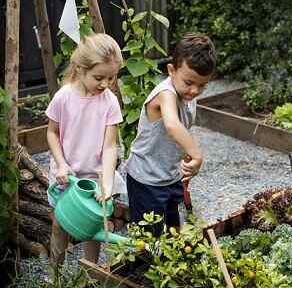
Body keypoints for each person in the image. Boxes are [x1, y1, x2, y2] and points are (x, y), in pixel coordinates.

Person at [46, 33, 124, 270]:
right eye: (99, 77)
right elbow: (52, 133)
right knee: (59, 226)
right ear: (80, 69)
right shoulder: (63, 98)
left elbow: (110, 146)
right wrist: (61, 163)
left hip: (93, 178)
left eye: (111, 78)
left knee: (93, 229)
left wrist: (107, 183)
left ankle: (88, 277)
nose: (105, 84)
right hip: (65, 175)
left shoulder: (109, 101)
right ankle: (53, 277)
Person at [125, 33, 216, 234]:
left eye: (202, 85)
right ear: (171, 70)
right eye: (189, 82)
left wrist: (185, 156)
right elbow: (173, 125)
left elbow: (181, 131)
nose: (194, 91)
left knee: (174, 230)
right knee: (148, 238)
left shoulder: (188, 94)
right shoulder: (165, 94)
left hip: (170, 176)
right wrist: (198, 155)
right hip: (146, 180)